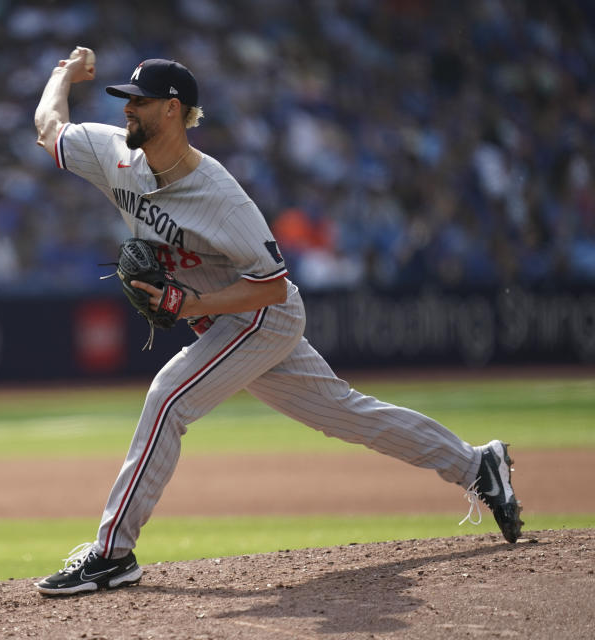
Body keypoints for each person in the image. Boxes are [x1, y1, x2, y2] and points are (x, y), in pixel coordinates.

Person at [31, 46, 523, 596]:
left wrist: (188, 307)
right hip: (228, 320)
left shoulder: (220, 197)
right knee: (346, 414)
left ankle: (112, 553)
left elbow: (270, 284)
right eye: (126, 100)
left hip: (263, 315)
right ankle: (477, 465)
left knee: (168, 397)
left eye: (139, 101)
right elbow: (49, 126)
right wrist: (64, 74)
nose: (127, 110)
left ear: (173, 109)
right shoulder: (112, 153)